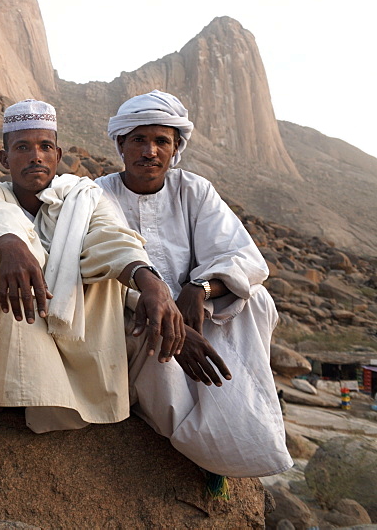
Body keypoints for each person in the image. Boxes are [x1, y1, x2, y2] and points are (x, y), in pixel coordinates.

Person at [96, 90, 292, 478]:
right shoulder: (98, 193)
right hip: (133, 317)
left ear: (175, 148)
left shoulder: (194, 190)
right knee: (149, 336)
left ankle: (241, 420)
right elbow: (101, 264)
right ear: (120, 144)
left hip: (197, 311)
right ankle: (203, 441)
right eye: (138, 139)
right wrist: (173, 326)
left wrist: (198, 288)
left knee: (257, 301)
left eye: (161, 141)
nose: (149, 151)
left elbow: (244, 258)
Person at [0, 99, 184, 432]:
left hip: (79, 331)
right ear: (4, 158)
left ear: (58, 156)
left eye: (45, 147)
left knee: (106, 274)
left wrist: (150, 281)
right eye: (23, 147)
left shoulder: (85, 196)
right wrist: (11, 245)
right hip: (20, 321)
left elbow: (110, 238)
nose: (35, 156)